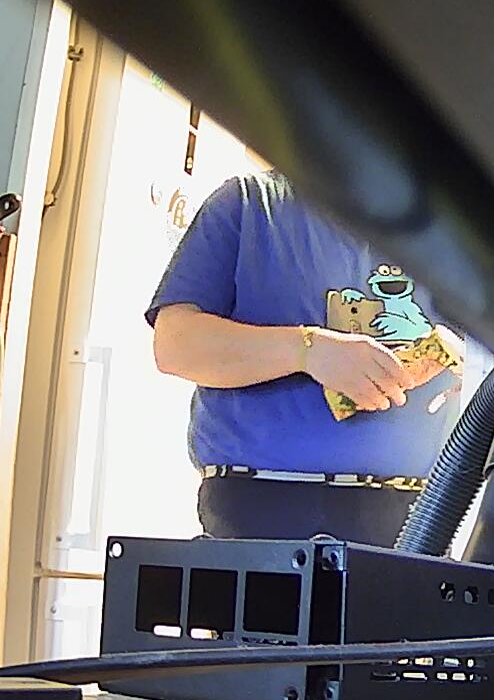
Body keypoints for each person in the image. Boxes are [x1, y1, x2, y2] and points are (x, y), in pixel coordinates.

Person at [148, 171, 466, 545]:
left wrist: (471, 363)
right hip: (261, 512)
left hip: (420, 513)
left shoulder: (453, 232)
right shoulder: (248, 204)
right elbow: (174, 344)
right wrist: (306, 350)